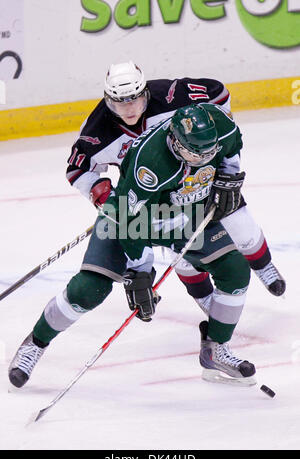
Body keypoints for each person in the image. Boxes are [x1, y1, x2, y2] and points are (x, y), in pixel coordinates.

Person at [9, 104, 257, 388]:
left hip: (186, 214)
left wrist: (229, 177)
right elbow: (129, 219)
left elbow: (233, 144)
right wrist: (141, 272)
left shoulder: (217, 126)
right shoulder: (150, 161)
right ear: (176, 142)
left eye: (209, 153)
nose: (203, 159)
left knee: (235, 270)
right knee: (89, 289)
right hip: (132, 218)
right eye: (195, 154)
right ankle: (36, 343)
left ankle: (216, 350)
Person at [66, 61, 285, 309]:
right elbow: (78, 169)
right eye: (118, 103)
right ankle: (203, 296)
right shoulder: (97, 130)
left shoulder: (173, 95)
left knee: (238, 218)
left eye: (134, 100)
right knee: (181, 249)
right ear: (108, 100)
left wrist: (223, 166)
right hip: (156, 193)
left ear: (145, 93)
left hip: (202, 173)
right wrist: (110, 200)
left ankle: (264, 266)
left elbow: (219, 94)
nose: (128, 109)